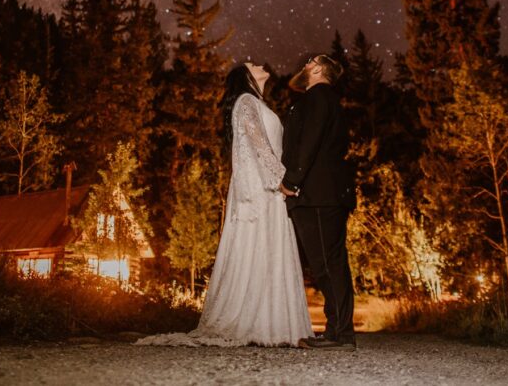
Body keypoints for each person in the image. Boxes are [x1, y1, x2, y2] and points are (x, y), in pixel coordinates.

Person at [137, 62, 313, 347]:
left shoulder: (256, 102)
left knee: (270, 250)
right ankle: (253, 322)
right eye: (252, 64)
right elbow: (258, 145)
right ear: (245, 76)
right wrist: (282, 180)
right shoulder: (245, 101)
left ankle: (273, 323)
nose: (259, 63)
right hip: (261, 188)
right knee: (258, 247)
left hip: (270, 187)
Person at [280, 53, 357, 350]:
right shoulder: (324, 99)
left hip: (318, 194)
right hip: (323, 193)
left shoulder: (318, 97)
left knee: (329, 262)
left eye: (311, 61)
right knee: (328, 262)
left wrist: (292, 180)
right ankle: (338, 329)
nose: (305, 63)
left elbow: (309, 141)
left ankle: (340, 332)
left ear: (321, 69)